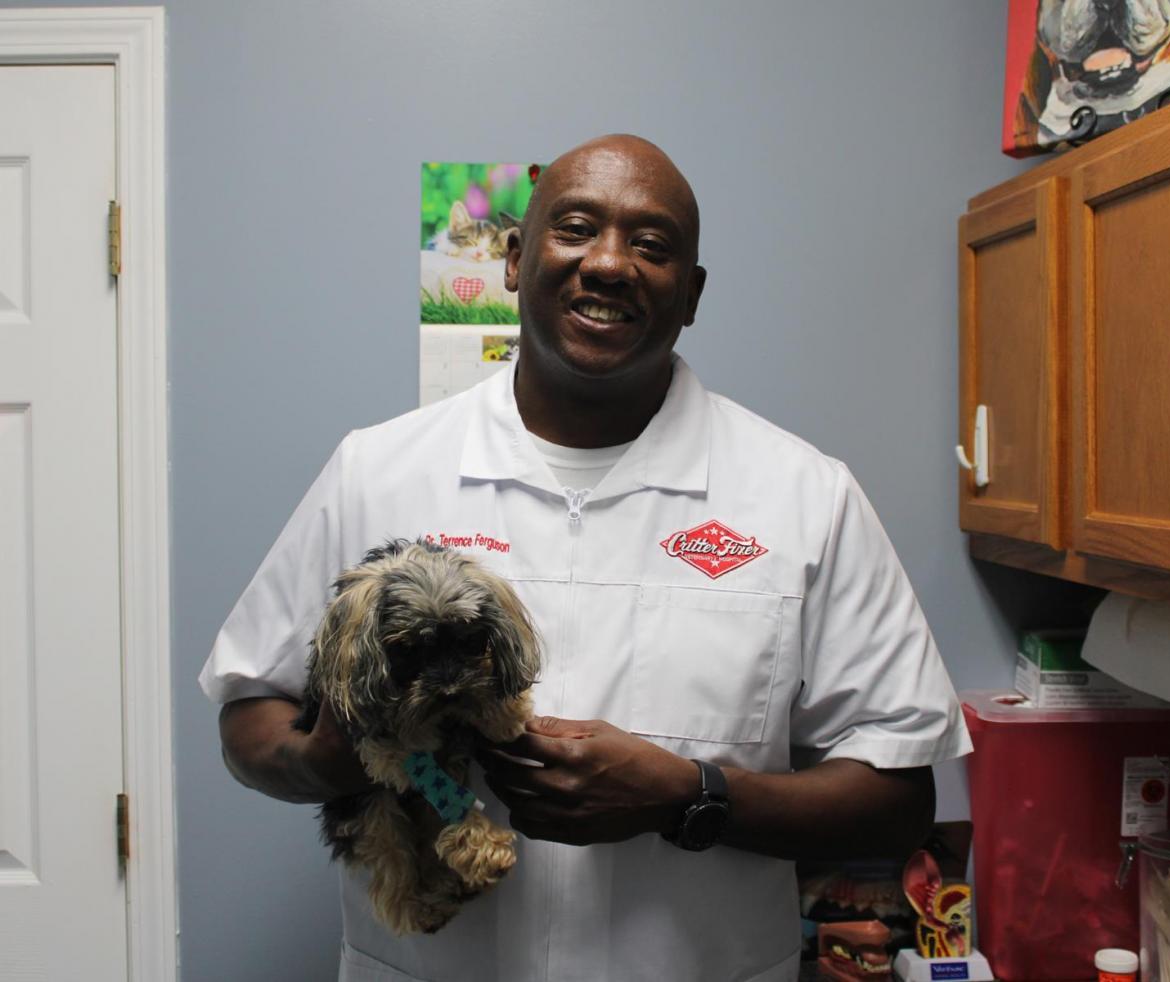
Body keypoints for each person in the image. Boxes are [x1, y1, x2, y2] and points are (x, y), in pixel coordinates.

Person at [203, 134, 971, 982]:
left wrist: (689, 797)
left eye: (651, 246)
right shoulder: (375, 472)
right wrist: (324, 760)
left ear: (692, 296)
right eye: (575, 229)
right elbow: (248, 715)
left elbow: (900, 800)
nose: (609, 264)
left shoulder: (806, 499)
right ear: (514, 260)